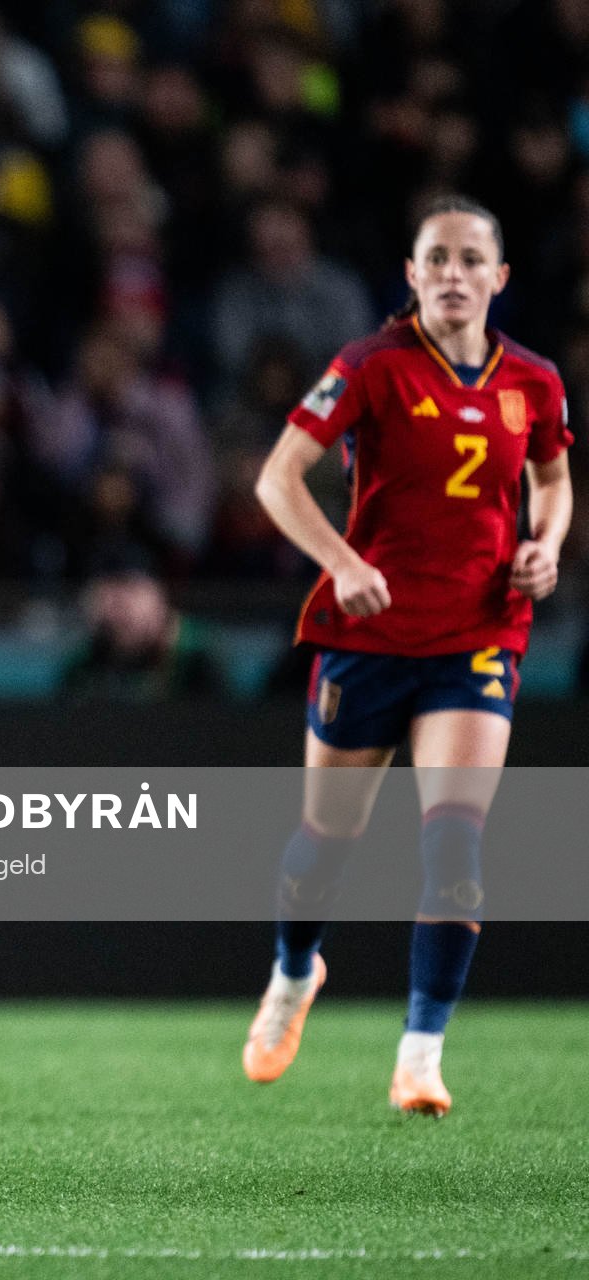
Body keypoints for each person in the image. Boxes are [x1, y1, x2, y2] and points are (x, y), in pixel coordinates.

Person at [243, 196, 571, 1116]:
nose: (456, 274)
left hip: (476, 633)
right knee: (326, 844)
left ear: (499, 278)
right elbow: (276, 478)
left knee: (455, 841)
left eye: (474, 259)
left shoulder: (535, 383)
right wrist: (342, 562)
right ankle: (294, 971)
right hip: (370, 633)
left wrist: (545, 543)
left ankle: (420, 1052)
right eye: (439, 259)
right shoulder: (372, 366)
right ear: (413, 275)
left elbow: (552, 477)